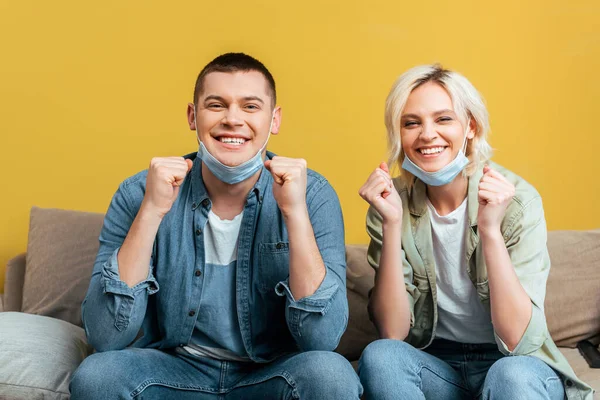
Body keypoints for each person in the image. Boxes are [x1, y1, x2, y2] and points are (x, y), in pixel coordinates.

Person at [70, 52, 362, 399]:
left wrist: (294, 213)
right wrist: (151, 211)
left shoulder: (313, 195)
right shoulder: (138, 192)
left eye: (250, 106)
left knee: (331, 375)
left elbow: (322, 339)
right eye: (216, 105)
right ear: (193, 116)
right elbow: (106, 336)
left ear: (274, 120)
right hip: (174, 371)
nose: (232, 119)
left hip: (271, 374)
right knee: (96, 377)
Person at [357, 64, 592, 399]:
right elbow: (393, 333)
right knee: (380, 357)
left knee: (510, 376)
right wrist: (392, 224)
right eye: (412, 123)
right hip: (437, 363)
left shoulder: (518, 201)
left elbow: (516, 340)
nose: (426, 134)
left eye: (443, 119)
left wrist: (490, 231)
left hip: (513, 363)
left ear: (471, 127)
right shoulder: (389, 203)